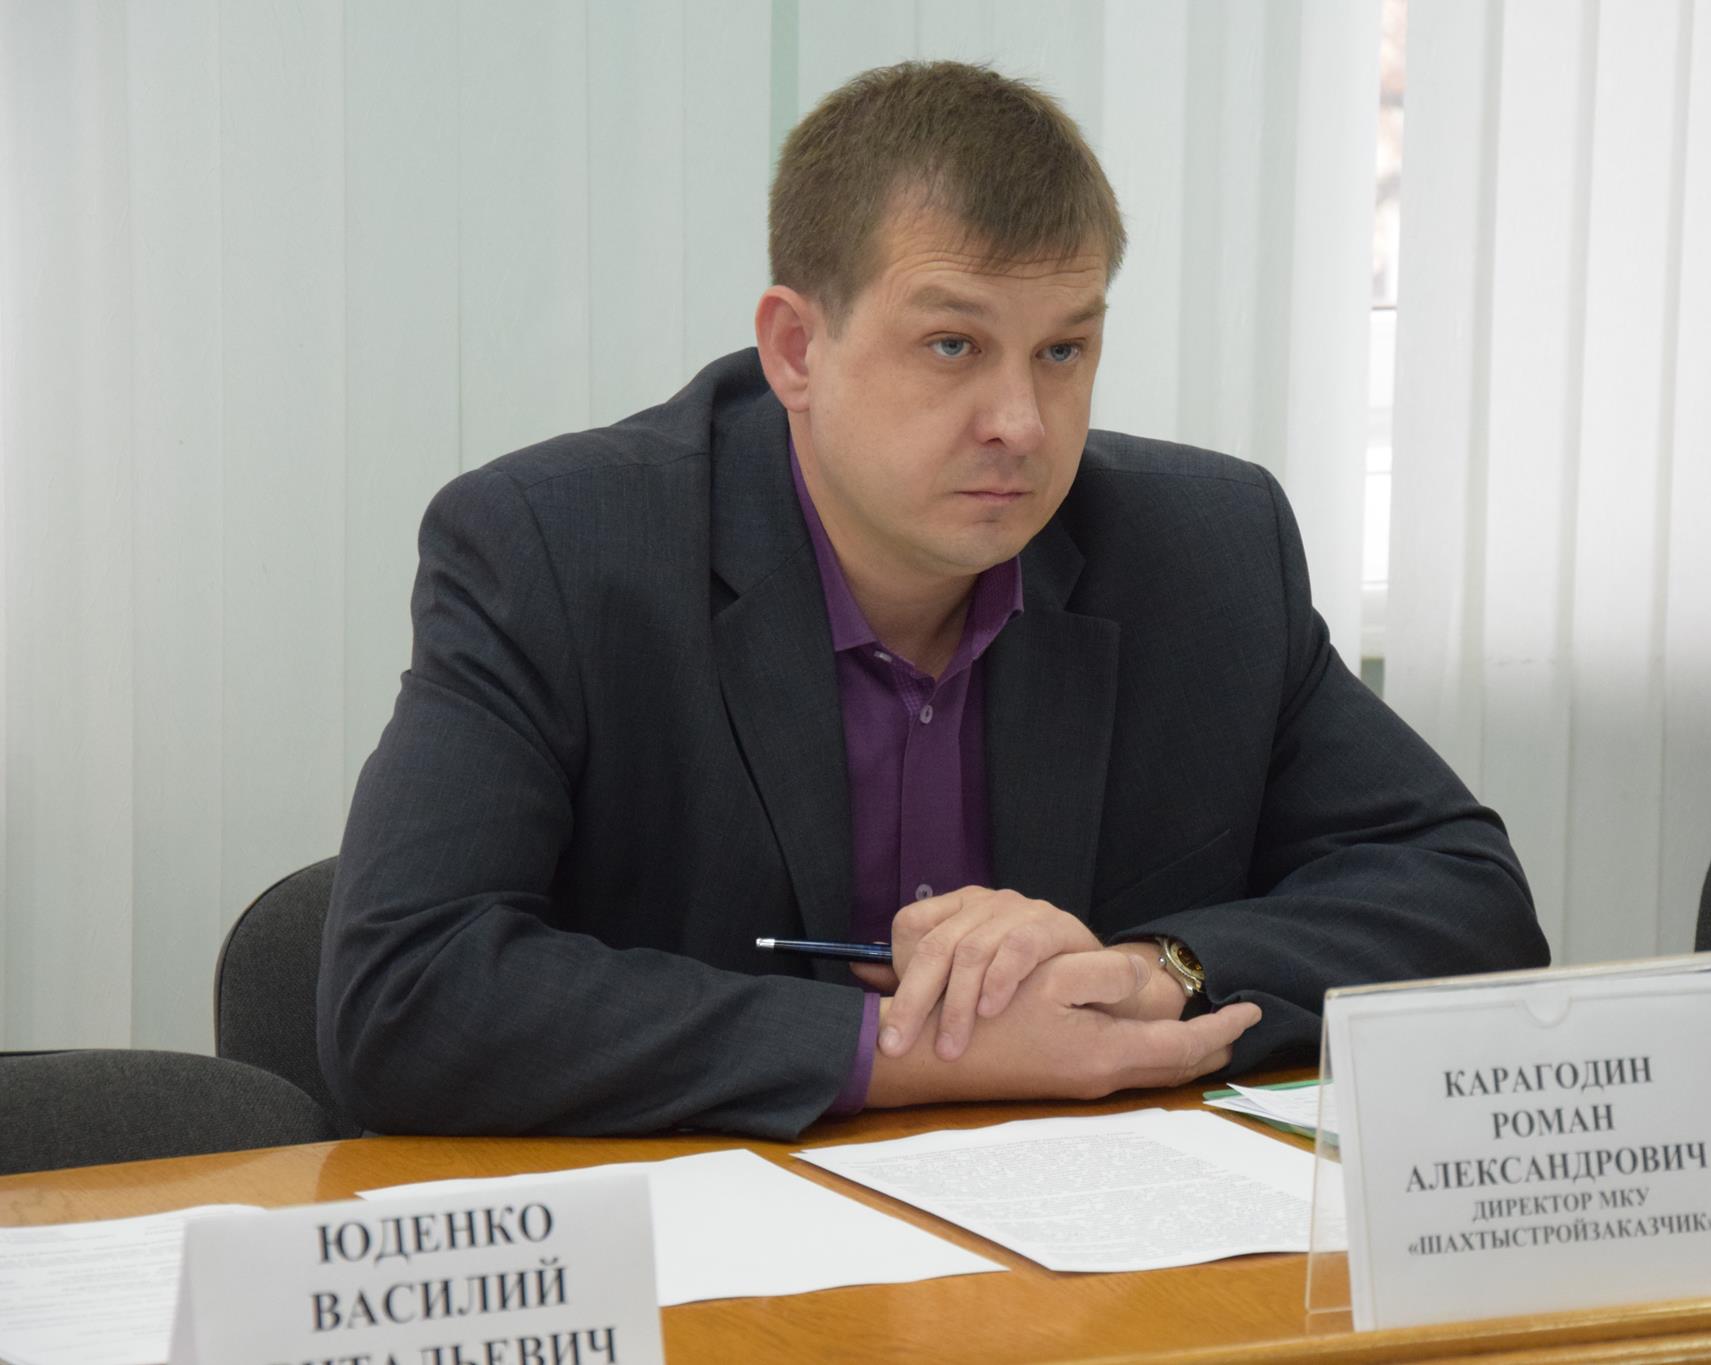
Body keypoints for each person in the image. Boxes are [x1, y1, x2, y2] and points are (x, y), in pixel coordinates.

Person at [317, 61, 1547, 1140]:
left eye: (1062, 350)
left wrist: (1151, 971)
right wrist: (908, 1055)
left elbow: (1462, 894)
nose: (1021, 422)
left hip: (1086, 1255)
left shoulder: (1203, 551)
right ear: (794, 350)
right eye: (953, 345)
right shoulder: (558, 551)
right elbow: (406, 994)